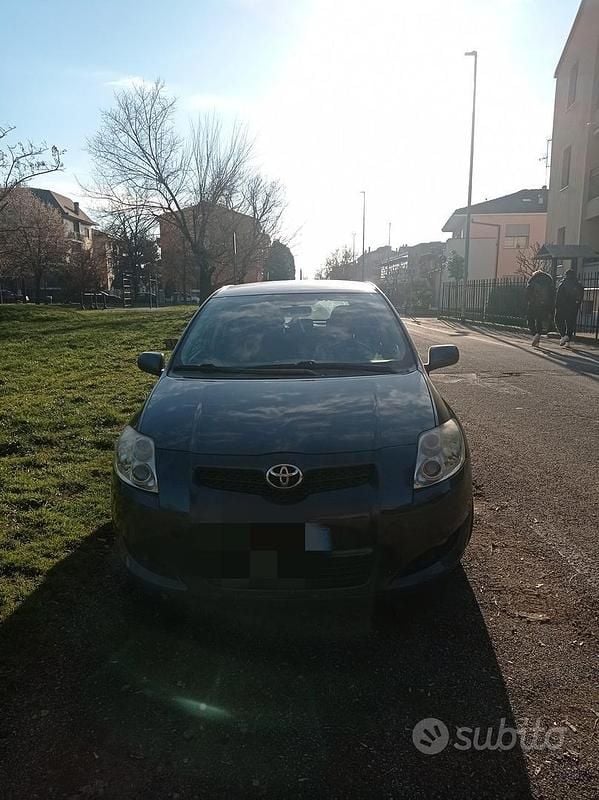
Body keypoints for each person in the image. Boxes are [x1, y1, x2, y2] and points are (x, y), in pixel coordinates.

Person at [555, 268, 584, 348]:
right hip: (574, 307)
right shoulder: (578, 284)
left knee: (558, 320)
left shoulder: (563, 284)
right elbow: (581, 296)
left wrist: (557, 305)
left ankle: (563, 335)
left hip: (563, 306)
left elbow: (559, 296)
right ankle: (568, 339)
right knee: (570, 323)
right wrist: (578, 305)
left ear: (566, 275)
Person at [526, 270, 555, 348]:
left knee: (530, 319)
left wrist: (530, 300)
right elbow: (552, 295)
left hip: (534, 304)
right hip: (545, 304)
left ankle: (535, 334)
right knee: (539, 320)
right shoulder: (549, 282)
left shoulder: (533, 281)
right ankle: (538, 334)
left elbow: (528, 293)